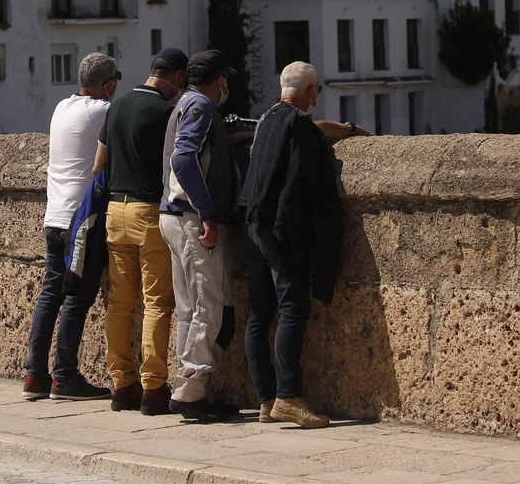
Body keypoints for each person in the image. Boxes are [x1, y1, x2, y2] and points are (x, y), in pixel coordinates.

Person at [241, 61, 370, 429]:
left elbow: (309, 131)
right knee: (293, 309)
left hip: (254, 225)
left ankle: (266, 399)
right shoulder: (299, 126)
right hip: (282, 232)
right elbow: (303, 184)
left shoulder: (267, 118)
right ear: (311, 92)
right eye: (318, 91)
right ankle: (290, 397)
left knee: (259, 315)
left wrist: (345, 130)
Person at [158, 49, 254, 421]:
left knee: (190, 310)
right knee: (209, 309)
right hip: (192, 219)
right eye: (224, 79)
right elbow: (183, 159)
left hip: (174, 216)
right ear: (218, 81)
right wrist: (207, 213)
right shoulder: (199, 107)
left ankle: (191, 389)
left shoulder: (184, 104)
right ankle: (190, 392)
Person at [97, 47, 190, 415]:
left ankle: (121, 384)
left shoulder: (116, 105)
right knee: (156, 302)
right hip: (148, 211)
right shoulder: (166, 112)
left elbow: (97, 165)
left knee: (119, 304)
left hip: (114, 212)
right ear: (178, 77)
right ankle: (153, 388)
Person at [24, 52, 119, 402]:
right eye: (114, 84)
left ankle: (35, 374)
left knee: (50, 295)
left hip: (54, 217)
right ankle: (64, 377)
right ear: (107, 84)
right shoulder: (101, 111)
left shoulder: (61, 107)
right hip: (82, 221)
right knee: (77, 298)